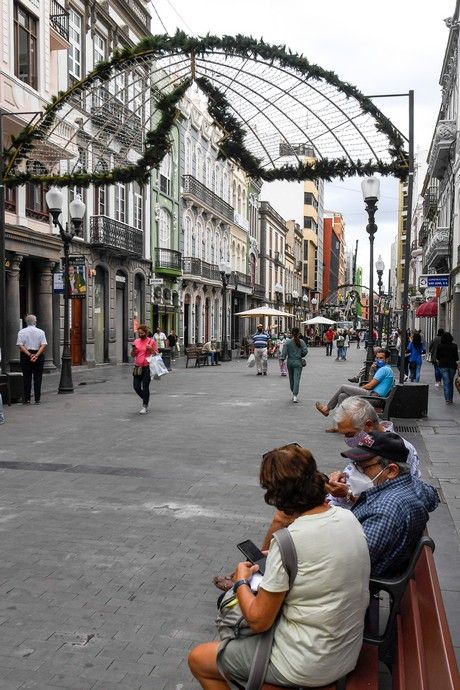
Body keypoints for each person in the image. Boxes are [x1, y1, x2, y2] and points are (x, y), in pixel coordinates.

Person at [190, 444, 371, 689]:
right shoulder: (348, 518)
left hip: (307, 662)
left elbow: (259, 621)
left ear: (277, 495)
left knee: (199, 659)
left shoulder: (289, 541)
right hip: (345, 650)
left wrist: (242, 580)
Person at [340, 431, 439, 576]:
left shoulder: (385, 510)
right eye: (355, 465)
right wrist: (349, 495)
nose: (352, 473)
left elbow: (351, 563)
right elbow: (432, 495)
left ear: (392, 471)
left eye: (362, 467)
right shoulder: (409, 483)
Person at [326, 397, 421, 506]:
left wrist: (349, 495)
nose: (347, 439)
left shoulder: (402, 450)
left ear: (369, 425)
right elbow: (354, 475)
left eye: (350, 434)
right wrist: (343, 479)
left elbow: (393, 501)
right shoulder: (366, 442)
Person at [315, 348, 394, 418]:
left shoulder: (384, 370)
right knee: (342, 396)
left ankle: (327, 408)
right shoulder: (386, 369)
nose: (378, 360)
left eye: (381, 358)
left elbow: (370, 386)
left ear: (386, 359)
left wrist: (359, 389)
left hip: (375, 398)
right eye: (377, 358)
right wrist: (371, 371)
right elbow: (370, 382)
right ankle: (340, 422)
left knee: (343, 387)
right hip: (375, 397)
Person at [16, 314, 47, 405]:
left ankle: (27, 399)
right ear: (35, 321)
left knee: (26, 377)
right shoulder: (41, 332)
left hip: (26, 355)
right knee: (38, 378)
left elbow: (20, 345)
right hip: (38, 355)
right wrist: (36, 355)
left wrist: (30, 355)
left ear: (26, 321)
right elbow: (43, 345)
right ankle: (37, 399)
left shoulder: (21, 332)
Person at [131, 324, 157, 414]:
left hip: (147, 367)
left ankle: (144, 406)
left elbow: (155, 354)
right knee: (136, 387)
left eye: (142, 333)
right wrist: (133, 349)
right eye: (139, 333)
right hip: (137, 367)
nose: (140, 335)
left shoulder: (151, 341)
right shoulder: (136, 341)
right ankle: (146, 398)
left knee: (145, 387)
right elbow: (133, 355)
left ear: (146, 333)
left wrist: (151, 349)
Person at [279, 327, 308, 403]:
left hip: (290, 362)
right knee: (297, 379)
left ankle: (293, 391)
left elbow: (284, 353)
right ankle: (295, 395)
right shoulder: (301, 342)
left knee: (291, 378)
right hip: (298, 362)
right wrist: (301, 354)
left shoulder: (287, 342)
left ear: (291, 333)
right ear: (299, 334)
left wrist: (282, 359)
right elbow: (305, 351)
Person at [435, 331, 460, 404]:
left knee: (446, 382)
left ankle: (447, 399)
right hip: (452, 366)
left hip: (443, 366)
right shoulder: (454, 346)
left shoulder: (440, 346)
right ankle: (451, 399)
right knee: (451, 382)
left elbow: (437, 357)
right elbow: (456, 357)